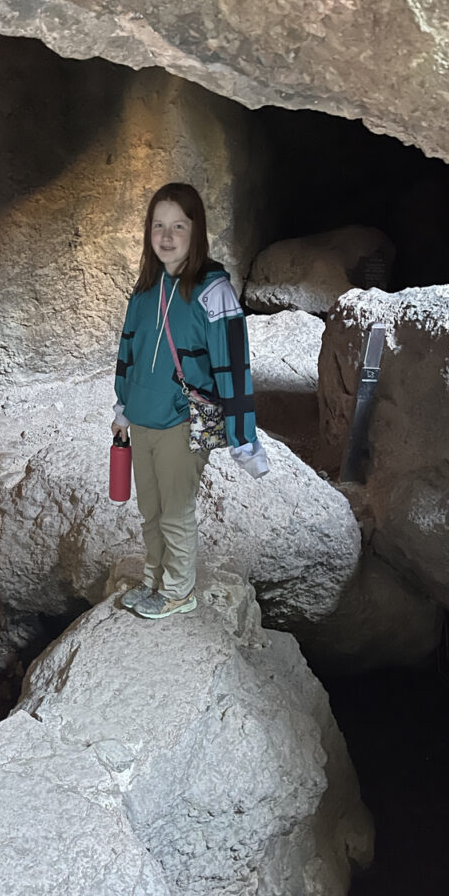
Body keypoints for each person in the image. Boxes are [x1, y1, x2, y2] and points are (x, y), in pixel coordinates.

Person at [112, 182, 268, 619]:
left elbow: (234, 365)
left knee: (176, 513)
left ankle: (179, 590)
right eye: (158, 225)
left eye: (178, 226)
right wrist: (122, 410)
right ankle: (154, 580)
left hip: (182, 420)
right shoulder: (144, 291)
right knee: (150, 511)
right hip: (143, 419)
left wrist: (243, 438)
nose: (166, 236)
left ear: (196, 230)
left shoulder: (212, 292)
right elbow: (129, 355)